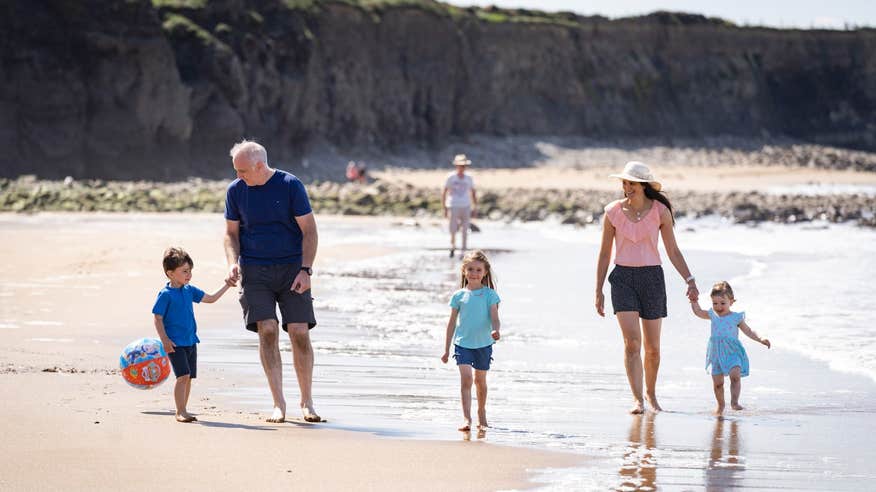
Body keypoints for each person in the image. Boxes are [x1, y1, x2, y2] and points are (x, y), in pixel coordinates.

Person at [223, 139, 321, 423]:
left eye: (242, 171)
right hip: (255, 270)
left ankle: (307, 401)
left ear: (259, 165)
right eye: (236, 171)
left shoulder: (290, 185)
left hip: (292, 268)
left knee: (300, 331)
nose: (238, 176)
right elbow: (230, 233)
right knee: (267, 330)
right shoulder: (235, 191)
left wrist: (306, 269)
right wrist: (232, 263)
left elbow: (310, 231)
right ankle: (279, 403)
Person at [595, 161, 699, 414]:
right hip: (622, 279)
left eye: (631, 183)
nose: (626, 187)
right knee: (632, 343)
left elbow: (673, 250)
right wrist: (598, 290)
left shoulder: (660, 211)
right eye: (624, 183)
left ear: (643, 186)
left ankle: (651, 394)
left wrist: (690, 280)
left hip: (652, 278)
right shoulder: (612, 212)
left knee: (652, 348)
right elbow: (604, 253)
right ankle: (637, 399)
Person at [152, 247, 232, 423]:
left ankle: (184, 409)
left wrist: (227, 284)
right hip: (174, 343)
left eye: (190, 271)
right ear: (170, 273)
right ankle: (180, 411)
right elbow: (157, 318)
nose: (189, 275)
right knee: (182, 376)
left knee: (188, 378)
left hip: (190, 340)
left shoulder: (189, 290)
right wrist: (164, 340)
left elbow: (210, 298)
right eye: (184, 271)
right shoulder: (165, 294)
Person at [441, 250, 501, 433]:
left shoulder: (490, 294)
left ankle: (481, 413)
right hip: (462, 344)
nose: (474, 273)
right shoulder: (458, 296)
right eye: (471, 269)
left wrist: (496, 330)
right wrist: (445, 349)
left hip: (483, 344)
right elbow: (451, 323)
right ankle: (467, 418)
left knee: (479, 380)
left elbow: (494, 316)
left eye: (478, 270)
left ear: (485, 272)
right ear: (464, 271)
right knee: (466, 379)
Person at [690, 281, 771, 414]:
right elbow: (698, 312)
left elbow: (749, 331)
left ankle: (734, 402)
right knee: (718, 384)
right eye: (715, 303)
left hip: (733, 352)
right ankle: (721, 405)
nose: (718, 307)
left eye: (723, 303)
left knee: (735, 376)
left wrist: (761, 339)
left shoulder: (736, 318)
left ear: (731, 302)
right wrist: (694, 301)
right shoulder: (712, 315)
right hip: (716, 353)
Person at [442, 154, 477, 258]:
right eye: (460, 165)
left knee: (465, 228)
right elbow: (444, 192)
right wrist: (444, 207)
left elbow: (473, 192)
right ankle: (452, 246)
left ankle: (464, 250)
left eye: (464, 166)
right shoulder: (451, 177)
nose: (462, 168)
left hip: (466, 205)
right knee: (453, 228)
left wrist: (475, 207)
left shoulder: (469, 178)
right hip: (453, 205)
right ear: (456, 166)